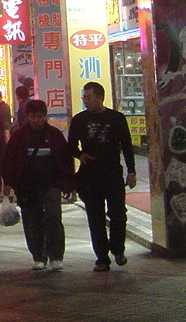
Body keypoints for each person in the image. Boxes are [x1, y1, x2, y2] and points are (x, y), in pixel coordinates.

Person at [68, 81, 137, 272]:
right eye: (84, 97)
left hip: (112, 173)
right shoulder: (79, 120)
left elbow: (127, 146)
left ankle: (118, 249)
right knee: (95, 217)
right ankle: (102, 258)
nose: (85, 100)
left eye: (89, 97)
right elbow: (71, 145)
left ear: (100, 97)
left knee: (118, 213)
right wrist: (80, 155)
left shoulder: (116, 118)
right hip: (90, 176)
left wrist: (131, 171)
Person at [2, 99, 76, 272]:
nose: (36, 120)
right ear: (27, 117)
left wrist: (69, 184)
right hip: (27, 186)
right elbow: (9, 160)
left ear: (45, 116)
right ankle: (38, 256)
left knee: (53, 218)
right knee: (32, 221)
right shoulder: (19, 136)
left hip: (51, 184)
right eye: (33, 116)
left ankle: (56, 256)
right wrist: (8, 182)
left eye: (39, 116)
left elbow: (65, 160)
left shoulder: (54, 135)